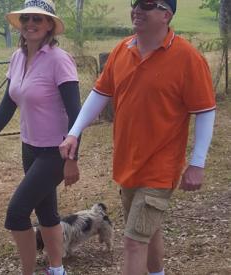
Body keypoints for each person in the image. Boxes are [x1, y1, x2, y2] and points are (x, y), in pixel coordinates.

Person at [59, 0, 216, 274]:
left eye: (146, 5)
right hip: (127, 164)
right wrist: (74, 132)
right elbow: (100, 93)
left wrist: (197, 163)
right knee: (148, 231)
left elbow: (205, 110)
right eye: (135, 3)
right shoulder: (122, 49)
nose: (136, 10)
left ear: (166, 14)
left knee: (132, 241)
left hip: (160, 167)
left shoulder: (188, 58)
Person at [0, 1, 81, 274]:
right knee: (47, 213)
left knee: (17, 213)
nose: (30, 23)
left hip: (55, 152)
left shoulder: (59, 59)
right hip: (29, 148)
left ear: (49, 27)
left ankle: (28, 272)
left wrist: (72, 159)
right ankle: (57, 269)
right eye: (26, 18)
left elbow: (76, 114)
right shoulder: (17, 57)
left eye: (38, 19)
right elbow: (8, 103)